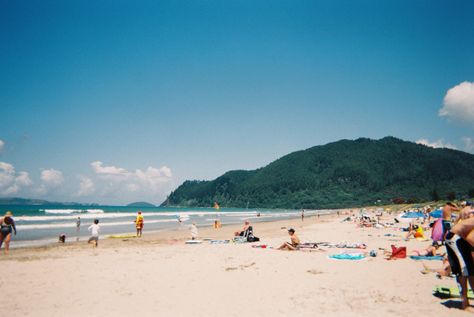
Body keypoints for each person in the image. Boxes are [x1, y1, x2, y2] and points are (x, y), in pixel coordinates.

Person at [444, 216, 474, 311]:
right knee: (463, 271)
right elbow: (470, 238)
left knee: (471, 271)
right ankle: (465, 304)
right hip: (454, 239)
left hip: (462, 239)